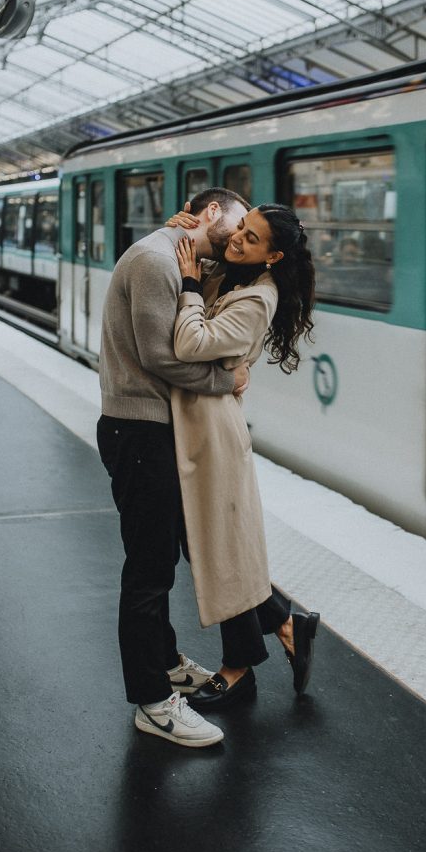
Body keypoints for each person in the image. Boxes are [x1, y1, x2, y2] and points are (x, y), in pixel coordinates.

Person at [96, 187, 251, 749]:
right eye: (236, 225)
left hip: (150, 432)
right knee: (149, 570)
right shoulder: (155, 260)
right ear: (211, 211)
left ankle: (163, 662)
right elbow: (162, 355)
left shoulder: (176, 257)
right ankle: (153, 703)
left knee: (159, 558)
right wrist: (224, 382)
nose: (238, 238)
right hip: (138, 433)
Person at [168, 203, 320, 710]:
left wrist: (190, 287)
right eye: (241, 228)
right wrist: (181, 229)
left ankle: (238, 670)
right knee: (206, 544)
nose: (237, 239)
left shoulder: (257, 298)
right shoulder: (233, 275)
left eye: (252, 239)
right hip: (199, 423)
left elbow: (192, 343)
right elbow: (195, 254)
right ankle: (283, 622)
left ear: (273, 256)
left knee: (218, 549)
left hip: (214, 432)